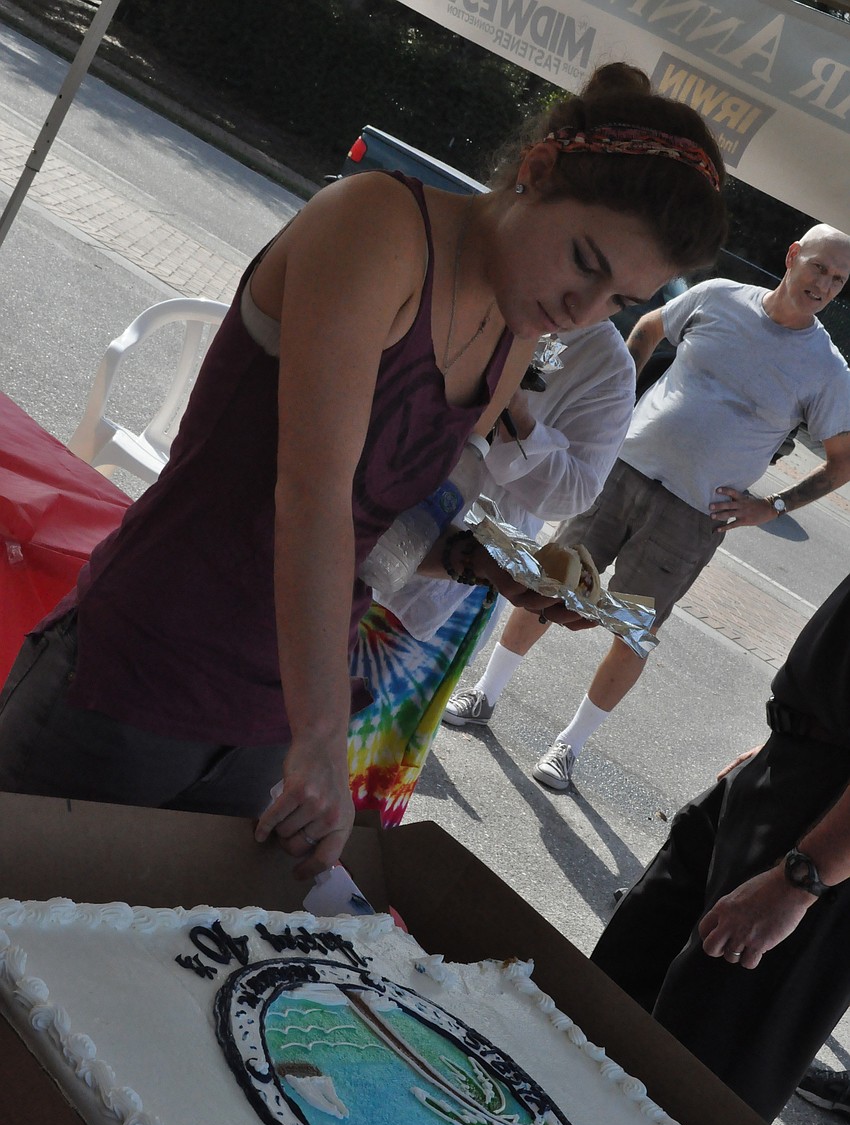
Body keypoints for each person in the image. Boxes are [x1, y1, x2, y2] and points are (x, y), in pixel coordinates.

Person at [0, 62, 727, 880]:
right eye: (585, 262)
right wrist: (319, 736)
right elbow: (310, 496)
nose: (584, 310)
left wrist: (464, 559)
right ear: (536, 171)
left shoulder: (515, 330)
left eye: (619, 301)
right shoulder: (379, 224)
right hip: (145, 662)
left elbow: (377, 528)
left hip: (275, 708)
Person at [444, 225, 850, 793]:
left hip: (693, 515)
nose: (825, 285)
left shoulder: (828, 370)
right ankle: (484, 692)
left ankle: (569, 747)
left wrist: (773, 505)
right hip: (618, 470)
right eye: (819, 268)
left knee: (634, 630)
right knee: (550, 581)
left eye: (838, 279)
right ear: (792, 257)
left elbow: (842, 462)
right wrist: (615, 408)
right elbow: (647, 327)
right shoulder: (719, 297)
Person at [589, 567, 850, 1123]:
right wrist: (785, 742)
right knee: (606, 1001)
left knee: (692, 1084)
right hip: (795, 766)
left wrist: (802, 879)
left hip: (827, 839)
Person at [349, 320, 635, 826]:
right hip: (351, 513)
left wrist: (519, 416)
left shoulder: (607, 367)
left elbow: (572, 493)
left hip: (446, 580)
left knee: (351, 764)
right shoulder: (487, 289)